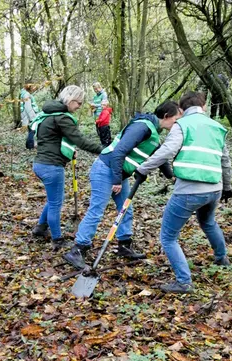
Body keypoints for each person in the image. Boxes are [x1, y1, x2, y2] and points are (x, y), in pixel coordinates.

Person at [63, 101, 182, 270]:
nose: (177, 123)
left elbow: (159, 156)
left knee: (125, 208)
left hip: (118, 173)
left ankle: (124, 245)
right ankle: (78, 250)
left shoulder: (153, 131)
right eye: (176, 119)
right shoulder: (142, 127)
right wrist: (117, 180)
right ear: (166, 116)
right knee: (97, 210)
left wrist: (171, 177)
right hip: (105, 170)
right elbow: (119, 151)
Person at [134, 91, 232, 294]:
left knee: (168, 237)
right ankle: (222, 259)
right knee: (208, 222)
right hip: (214, 189)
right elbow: (225, 160)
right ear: (203, 107)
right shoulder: (217, 127)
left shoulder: (182, 125)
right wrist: (228, 187)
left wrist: (143, 168)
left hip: (189, 191)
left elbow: (167, 151)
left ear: (181, 109)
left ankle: (184, 282)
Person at [30, 85, 104, 249]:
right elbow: (80, 140)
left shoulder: (47, 115)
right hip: (52, 167)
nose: (79, 106)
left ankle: (40, 228)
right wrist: (103, 150)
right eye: (78, 102)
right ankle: (57, 240)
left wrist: (69, 153)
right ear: (70, 100)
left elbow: (52, 140)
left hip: (40, 164)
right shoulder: (63, 117)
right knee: (56, 203)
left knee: (52, 199)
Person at [20, 83, 40, 149]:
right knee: (32, 131)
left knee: (31, 131)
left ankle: (30, 145)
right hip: (30, 117)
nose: (34, 89)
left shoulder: (24, 94)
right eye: (33, 88)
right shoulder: (26, 95)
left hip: (27, 116)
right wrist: (33, 118)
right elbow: (28, 107)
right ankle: (30, 146)